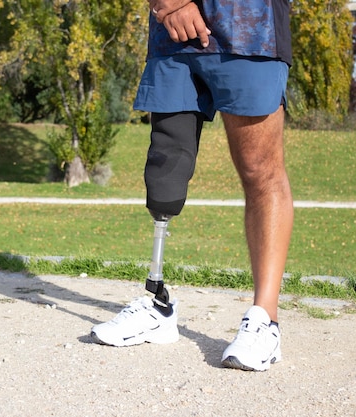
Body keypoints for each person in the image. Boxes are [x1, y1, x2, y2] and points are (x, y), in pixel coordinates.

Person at [91, 0, 294, 372]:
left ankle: (266, 321)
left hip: (250, 29)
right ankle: (158, 304)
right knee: (164, 173)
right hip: (172, 34)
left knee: (259, 170)